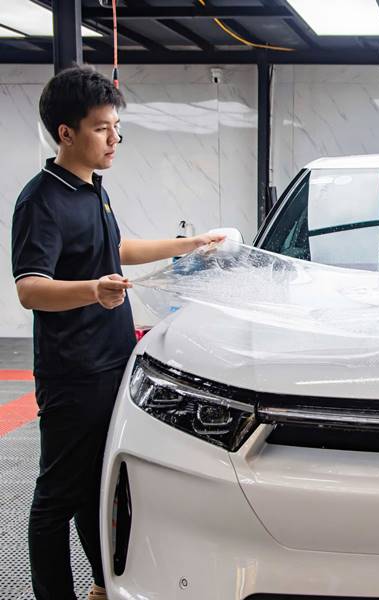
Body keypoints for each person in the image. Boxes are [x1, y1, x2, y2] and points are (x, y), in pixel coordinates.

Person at [11, 65, 224, 600]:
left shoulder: (92, 190)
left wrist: (189, 244)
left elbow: (116, 248)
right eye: (102, 128)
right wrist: (93, 290)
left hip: (112, 360)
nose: (114, 139)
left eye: (116, 128)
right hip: (73, 370)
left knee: (96, 484)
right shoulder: (41, 201)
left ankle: (103, 584)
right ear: (66, 133)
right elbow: (31, 289)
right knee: (56, 497)